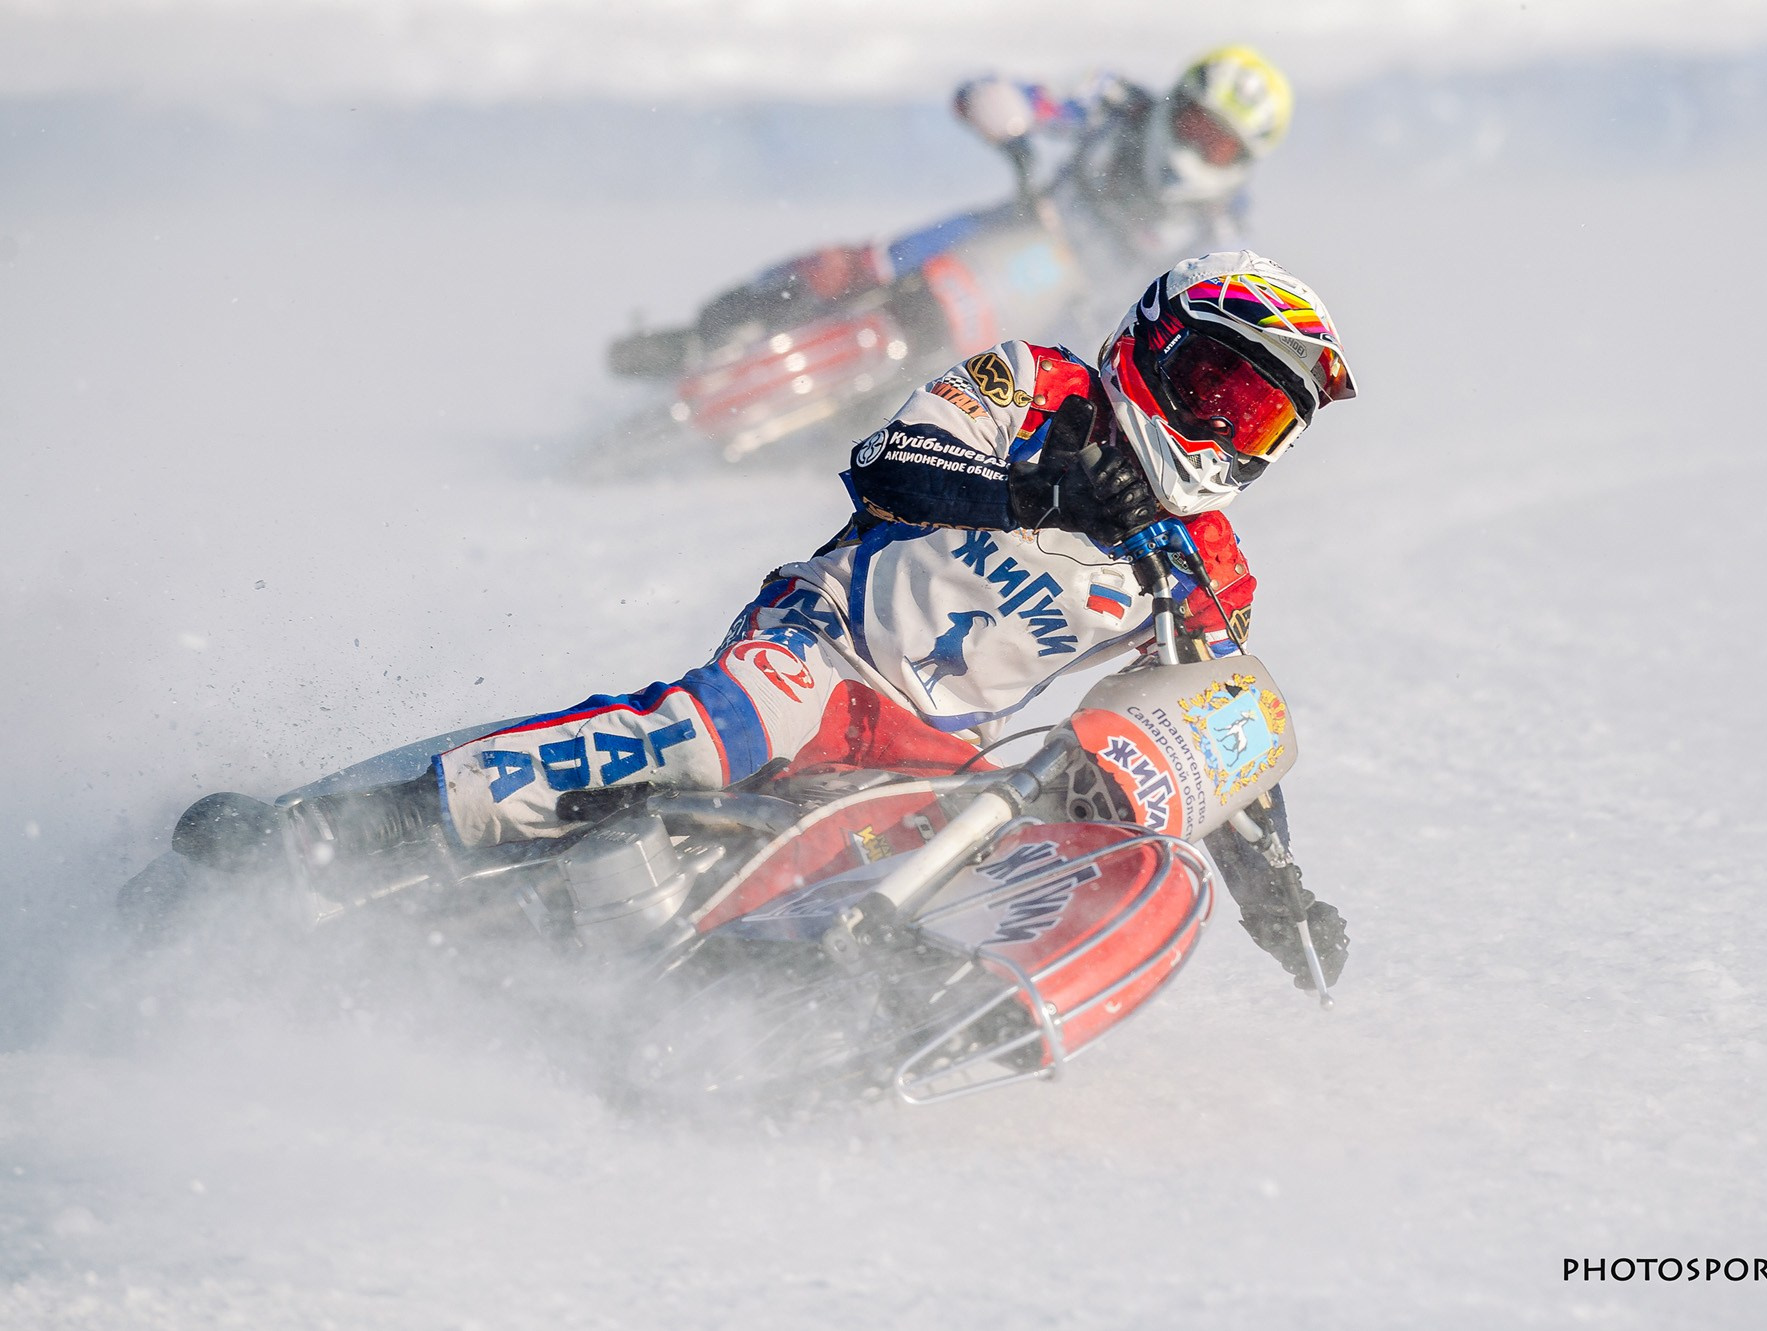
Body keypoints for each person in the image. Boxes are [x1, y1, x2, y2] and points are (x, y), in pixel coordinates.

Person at [180, 251, 1354, 991]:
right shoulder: (1034, 387)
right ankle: (350, 827)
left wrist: (1274, 883)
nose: (1225, 432)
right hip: (821, 648)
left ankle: (745, 1007)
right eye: (1218, 388)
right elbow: (892, 467)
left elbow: (1206, 732)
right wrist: (1038, 492)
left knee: (865, 880)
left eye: (1260, 421)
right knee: (697, 738)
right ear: (1152, 344)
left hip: (938, 750)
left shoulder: (1203, 569)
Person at [608, 47, 1294, 381]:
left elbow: (1208, 309)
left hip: (1071, 317)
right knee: (852, 266)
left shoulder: (1225, 232)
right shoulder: (1122, 106)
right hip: (1016, 229)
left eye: (1218, 143)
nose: (1192, 149)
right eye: (1193, 124)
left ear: (1244, 159)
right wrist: (1003, 105)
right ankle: (708, 329)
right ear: (1173, 104)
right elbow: (1035, 100)